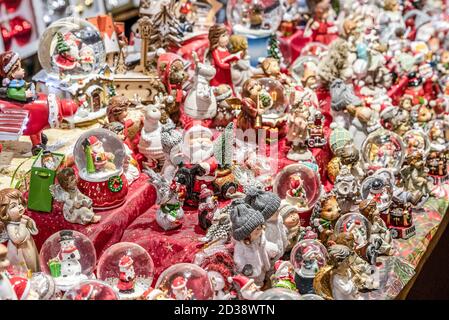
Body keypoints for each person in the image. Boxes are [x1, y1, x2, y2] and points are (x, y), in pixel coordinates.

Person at [208, 24, 243, 91]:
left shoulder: (225, 48)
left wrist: (234, 59)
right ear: (216, 39)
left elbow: (228, 58)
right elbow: (220, 63)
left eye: (226, 35)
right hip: (219, 76)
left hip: (227, 74)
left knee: (230, 89)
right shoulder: (215, 51)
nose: (226, 38)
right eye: (223, 36)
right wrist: (230, 65)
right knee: (221, 91)